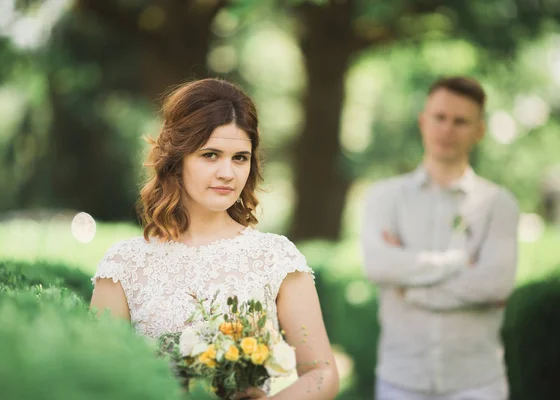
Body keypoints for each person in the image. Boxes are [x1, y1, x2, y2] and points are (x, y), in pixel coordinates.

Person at [89, 78, 339, 400]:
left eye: (240, 158)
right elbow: (98, 379)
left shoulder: (276, 258)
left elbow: (322, 373)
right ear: (177, 160)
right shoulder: (123, 265)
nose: (227, 173)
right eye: (210, 155)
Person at [361, 77, 520, 400]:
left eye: (461, 121)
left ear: (479, 131)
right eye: (440, 117)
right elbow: (378, 266)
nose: (447, 129)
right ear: (423, 121)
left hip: (478, 383)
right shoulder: (383, 197)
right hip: (400, 380)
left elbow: (494, 284)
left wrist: (412, 286)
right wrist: (459, 263)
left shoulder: (499, 204)